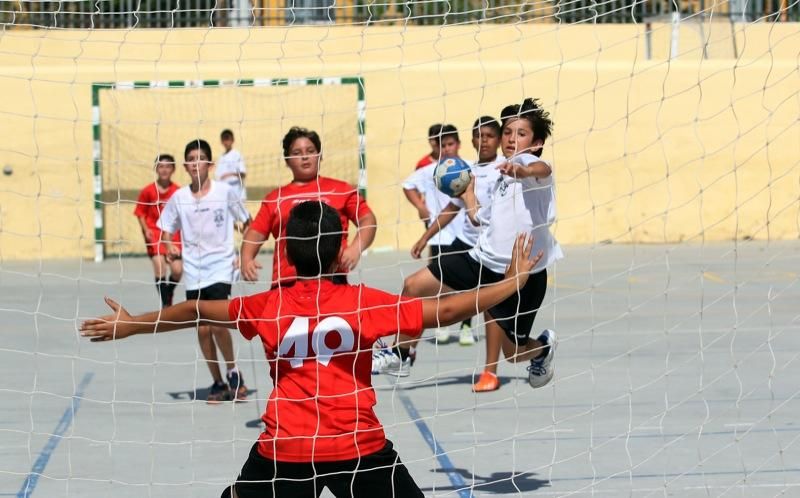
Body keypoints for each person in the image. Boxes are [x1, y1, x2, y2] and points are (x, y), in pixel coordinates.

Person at [80, 200, 540, 498]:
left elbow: (196, 310)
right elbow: (444, 310)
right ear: (342, 251)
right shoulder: (364, 303)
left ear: (285, 254)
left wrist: (133, 325)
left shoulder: (267, 304)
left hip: (286, 450)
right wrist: (513, 281)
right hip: (357, 447)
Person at [382, 98, 562, 390]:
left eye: (521, 134)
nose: (511, 139)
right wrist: (468, 196)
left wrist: (525, 171)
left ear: (537, 142)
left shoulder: (529, 166)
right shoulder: (501, 174)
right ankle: (401, 354)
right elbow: (481, 219)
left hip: (522, 274)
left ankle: (542, 349)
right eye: (508, 133)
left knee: (513, 353)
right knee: (413, 286)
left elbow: (542, 169)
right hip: (481, 261)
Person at [158, 139, 252, 403]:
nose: (195, 163)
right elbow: (166, 229)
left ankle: (233, 372)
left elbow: (247, 222)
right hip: (194, 270)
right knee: (201, 329)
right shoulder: (180, 198)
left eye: (200, 158)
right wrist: (169, 247)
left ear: (209, 164)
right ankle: (218, 382)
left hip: (221, 266)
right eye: (190, 159)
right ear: (185, 166)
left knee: (219, 323)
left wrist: (243, 256)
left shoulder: (224, 192)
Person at [240, 126, 377, 287]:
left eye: (310, 151)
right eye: (297, 153)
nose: (305, 157)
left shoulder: (341, 190)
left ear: (320, 155)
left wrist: (355, 248)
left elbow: (368, 219)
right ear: (287, 160)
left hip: (331, 281)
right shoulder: (275, 198)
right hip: (287, 284)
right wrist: (246, 257)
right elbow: (256, 232)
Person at [408, 116, 503, 347]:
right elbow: (452, 207)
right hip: (464, 244)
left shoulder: (505, 170)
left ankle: (470, 334)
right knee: (415, 286)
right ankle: (403, 351)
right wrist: (424, 237)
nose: (484, 141)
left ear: (499, 140)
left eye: (490, 136)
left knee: (491, 308)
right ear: (471, 140)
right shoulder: (466, 171)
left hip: (492, 250)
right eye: (480, 136)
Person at [399, 123, 466, 346]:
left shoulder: (469, 169)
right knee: (438, 282)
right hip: (440, 236)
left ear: (458, 144)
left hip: (465, 236)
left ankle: (466, 326)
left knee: (470, 284)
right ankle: (439, 323)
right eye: (443, 145)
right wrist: (420, 205)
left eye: (450, 144)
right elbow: (407, 185)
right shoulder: (429, 171)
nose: (447, 148)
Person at [133, 154, 183, 308]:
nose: (164, 170)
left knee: (177, 270)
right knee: (160, 266)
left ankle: (168, 291)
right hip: (154, 233)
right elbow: (140, 212)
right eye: (161, 166)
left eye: (168, 166)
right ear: (156, 169)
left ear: (173, 169)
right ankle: (166, 304)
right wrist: (146, 229)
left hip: (172, 235)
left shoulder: (178, 191)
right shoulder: (148, 191)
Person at [216, 129, 247, 202]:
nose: (226, 142)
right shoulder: (221, 157)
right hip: (224, 196)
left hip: (237, 195)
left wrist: (230, 174)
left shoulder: (237, 155)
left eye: (227, 139)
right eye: (224, 139)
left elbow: (243, 174)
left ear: (232, 140)